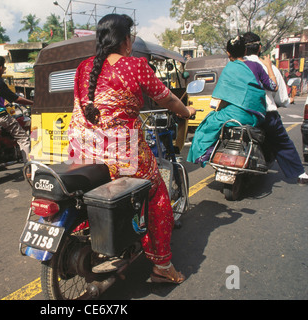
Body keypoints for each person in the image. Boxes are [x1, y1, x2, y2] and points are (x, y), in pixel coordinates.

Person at [67, 14, 196, 284]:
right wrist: (186, 111)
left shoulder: (83, 68)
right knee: (157, 196)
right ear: (126, 40)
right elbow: (167, 97)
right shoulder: (135, 65)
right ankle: (161, 265)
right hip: (122, 152)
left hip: (82, 150)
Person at [187, 36, 275, 165]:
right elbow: (273, 86)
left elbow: (224, 98)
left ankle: (205, 153)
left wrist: (217, 111)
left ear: (228, 53)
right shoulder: (256, 66)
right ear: (245, 51)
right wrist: (269, 66)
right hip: (257, 116)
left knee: (207, 124)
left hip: (235, 115)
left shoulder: (229, 68)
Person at [243, 32, 308, 185]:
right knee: (282, 143)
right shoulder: (267, 67)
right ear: (259, 48)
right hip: (267, 114)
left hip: (241, 113)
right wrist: (285, 101)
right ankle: (300, 173)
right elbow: (281, 97)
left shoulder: (236, 67)